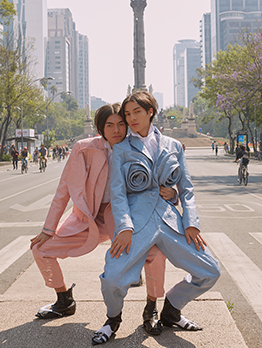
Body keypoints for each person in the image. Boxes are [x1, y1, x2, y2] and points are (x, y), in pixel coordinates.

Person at [30, 103, 176, 335]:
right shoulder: (83, 149)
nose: (116, 130)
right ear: (100, 127)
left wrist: (173, 194)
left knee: (155, 254)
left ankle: (151, 307)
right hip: (87, 218)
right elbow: (63, 190)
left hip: (123, 217)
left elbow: (161, 181)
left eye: (121, 124)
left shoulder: (138, 147)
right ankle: (63, 299)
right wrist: (49, 228)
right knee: (41, 248)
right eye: (110, 125)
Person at [93, 92, 220, 345]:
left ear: (150, 111)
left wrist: (191, 223)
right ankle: (113, 319)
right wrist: (125, 227)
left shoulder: (173, 146)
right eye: (127, 114)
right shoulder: (121, 149)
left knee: (210, 271)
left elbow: (187, 189)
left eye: (136, 112)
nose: (131, 118)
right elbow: (118, 193)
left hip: (170, 221)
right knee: (113, 278)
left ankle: (172, 308)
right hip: (136, 224)